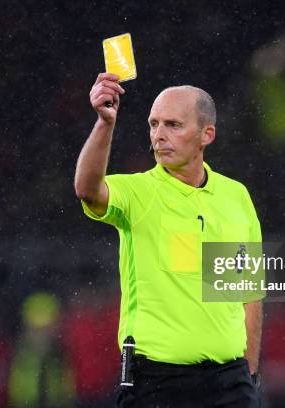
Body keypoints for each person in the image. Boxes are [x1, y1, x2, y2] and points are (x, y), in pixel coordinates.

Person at [74, 73, 263, 407]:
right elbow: (87, 189)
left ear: (207, 134)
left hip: (229, 382)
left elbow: (247, 292)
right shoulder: (138, 193)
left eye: (173, 125)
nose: (159, 135)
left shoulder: (236, 197)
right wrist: (105, 123)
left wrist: (250, 374)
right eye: (154, 124)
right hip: (156, 384)